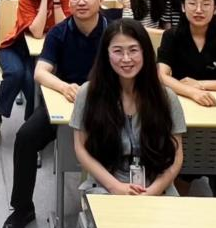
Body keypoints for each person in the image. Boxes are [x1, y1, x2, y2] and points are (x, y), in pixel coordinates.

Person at [1, 0, 106, 228]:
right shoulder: (60, 32)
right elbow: (40, 72)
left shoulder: (114, 32)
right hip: (64, 100)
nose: (81, 2)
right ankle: (22, 208)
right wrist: (64, 87)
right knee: (25, 138)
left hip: (105, 102)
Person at [71, 19, 185, 197]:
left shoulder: (166, 97)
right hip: (106, 184)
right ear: (106, 54)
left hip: (156, 185)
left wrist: (153, 190)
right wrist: (115, 187)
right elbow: (81, 148)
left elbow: (177, 155)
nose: (126, 59)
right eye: (117, 51)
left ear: (145, 52)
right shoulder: (88, 94)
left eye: (133, 50)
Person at [0, 0, 73, 146]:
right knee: (16, 74)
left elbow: (64, 29)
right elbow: (37, 32)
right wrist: (43, 0)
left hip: (44, 53)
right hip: (15, 48)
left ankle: (30, 132)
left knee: (33, 82)